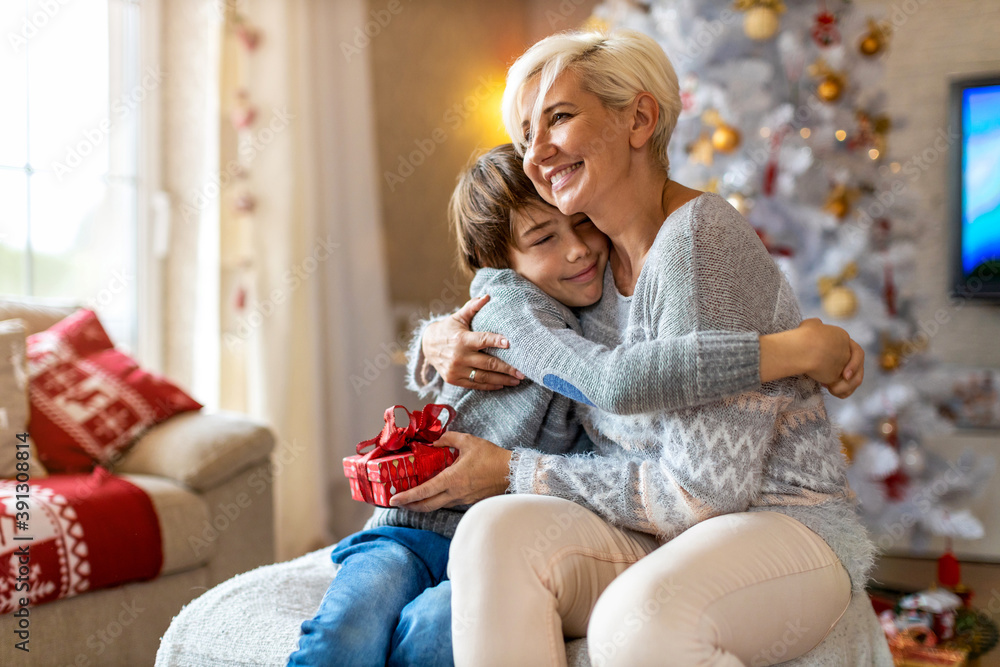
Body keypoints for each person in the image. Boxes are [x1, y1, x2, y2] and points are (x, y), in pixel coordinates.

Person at [400, 29, 876, 667]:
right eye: (523, 135)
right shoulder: (588, 261)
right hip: (654, 533)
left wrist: (512, 471)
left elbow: (701, 497)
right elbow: (503, 300)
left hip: (783, 525)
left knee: (635, 622)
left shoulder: (698, 243)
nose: (536, 154)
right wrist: (437, 338)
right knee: (491, 531)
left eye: (559, 118)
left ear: (639, 118)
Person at [287, 143, 863, 667]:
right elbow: (610, 382)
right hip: (420, 524)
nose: (578, 249)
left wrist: (431, 343)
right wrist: (788, 351)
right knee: (349, 630)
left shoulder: (603, 295)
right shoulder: (512, 307)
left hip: (509, 525)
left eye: (582, 224)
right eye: (544, 239)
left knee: (432, 629)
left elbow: (641, 382)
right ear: (499, 266)